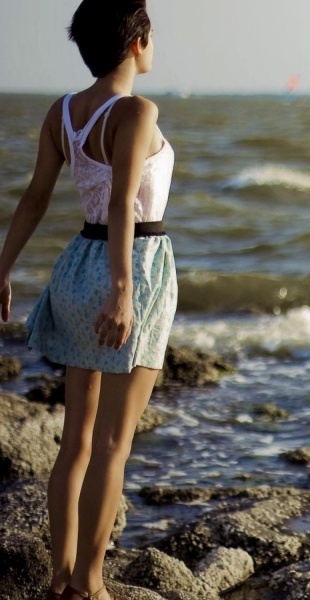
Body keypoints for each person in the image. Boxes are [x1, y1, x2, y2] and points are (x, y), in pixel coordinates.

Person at [0, 1, 177, 598]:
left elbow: (34, 198)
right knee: (111, 446)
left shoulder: (64, 112)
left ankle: (59, 578)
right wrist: (124, 290)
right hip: (134, 270)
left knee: (75, 441)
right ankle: (90, 584)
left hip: (77, 268)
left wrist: (2, 270)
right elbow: (127, 199)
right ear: (137, 41)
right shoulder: (137, 110)